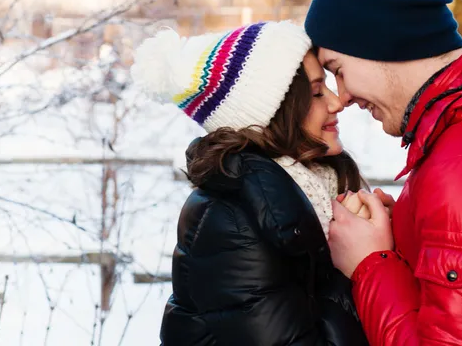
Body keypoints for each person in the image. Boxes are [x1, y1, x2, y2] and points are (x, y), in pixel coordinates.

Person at [304, 0, 462, 345]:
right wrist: (404, 233)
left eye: (338, 69)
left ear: (380, 39)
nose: (344, 97)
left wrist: (370, 264)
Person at [131, 21, 370, 345]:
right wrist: (359, 265)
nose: (335, 102)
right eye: (315, 92)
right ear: (271, 114)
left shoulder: (323, 189)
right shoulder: (229, 222)